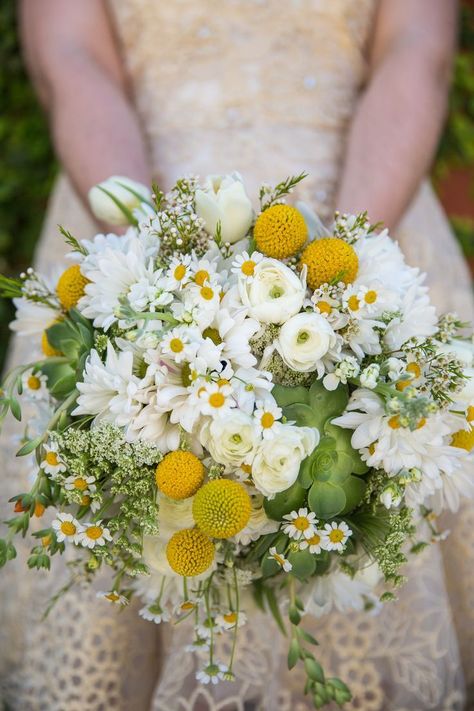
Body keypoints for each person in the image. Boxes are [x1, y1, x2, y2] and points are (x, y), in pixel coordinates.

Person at [1, 1, 473, 709]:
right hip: (127, 224)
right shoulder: (138, 253)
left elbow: (415, 48)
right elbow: (71, 60)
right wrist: (151, 269)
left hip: (366, 206)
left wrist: (340, 275)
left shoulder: (348, 254)